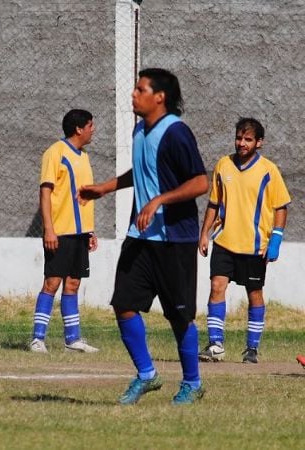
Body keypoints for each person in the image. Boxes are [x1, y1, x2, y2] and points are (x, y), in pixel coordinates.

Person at [79, 68, 209, 405]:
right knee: (123, 305)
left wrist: (160, 199)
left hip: (174, 239)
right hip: (140, 237)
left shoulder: (177, 132)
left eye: (140, 89)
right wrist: (105, 188)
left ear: (159, 97)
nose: (133, 94)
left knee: (179, 317)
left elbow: (200, 183)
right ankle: (147, 374)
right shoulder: (140, 129)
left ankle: (193, 383)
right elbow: (143, 170)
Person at [198, 118, 290, 364]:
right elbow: (214, 203)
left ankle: (252, 349)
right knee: (217, 286)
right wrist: (204, 233)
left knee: (254, 293)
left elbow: (281, 207)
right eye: (239, 138)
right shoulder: (223, 165)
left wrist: (276, 240)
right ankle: (215, 344)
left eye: (248, 139)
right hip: (225, 242)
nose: (242, 143)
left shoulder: (268, 170)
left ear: (259, 142)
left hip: (254, 246)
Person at [30, 109, 99, 354]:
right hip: (60, 231)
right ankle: (37, 338)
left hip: (80, 233)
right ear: (79, 128)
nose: (93, 129)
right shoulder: (55, 153)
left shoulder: (84, 157)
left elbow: (84, 197)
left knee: (73, 283)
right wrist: (49, 229)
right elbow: (46, 191)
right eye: (91, 125)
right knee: (52, 282)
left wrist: (90, 230)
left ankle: (73, 339)